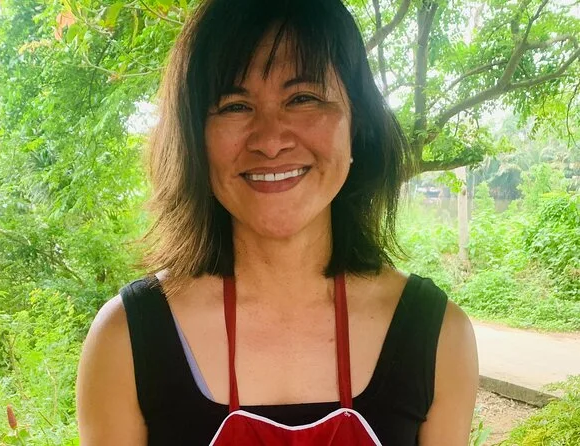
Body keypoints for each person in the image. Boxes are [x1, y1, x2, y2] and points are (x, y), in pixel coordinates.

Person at [76, 0, 479, 444]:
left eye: (303, 99)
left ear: (357, 123)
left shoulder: (438, 336)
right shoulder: (127, 340)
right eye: (234, 105)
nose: (270, 141)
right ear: (195, 139)